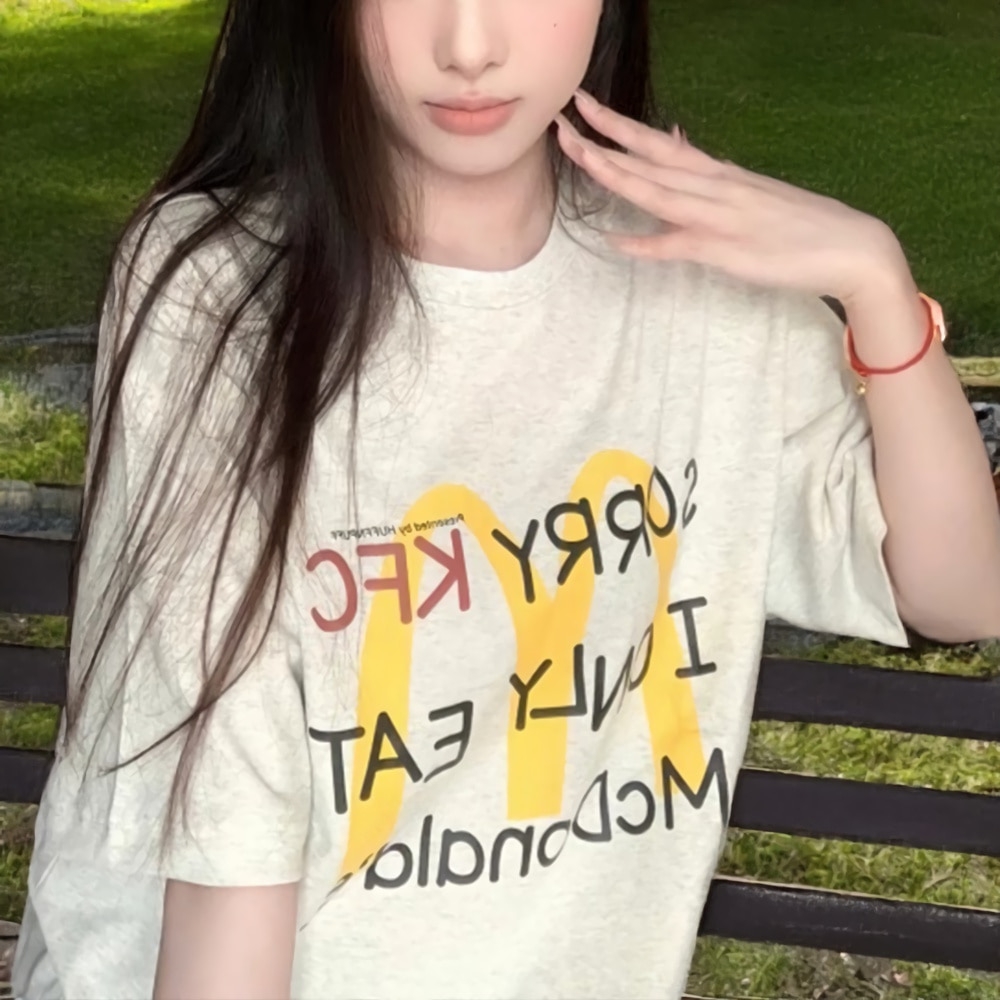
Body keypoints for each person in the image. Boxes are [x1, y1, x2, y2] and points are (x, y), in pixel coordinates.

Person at [12, 1, 1000, 998]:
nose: (469, 46)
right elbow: (228, 830)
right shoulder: (219, 288)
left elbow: (962, 590)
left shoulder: (705, 284)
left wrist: (876, 284)